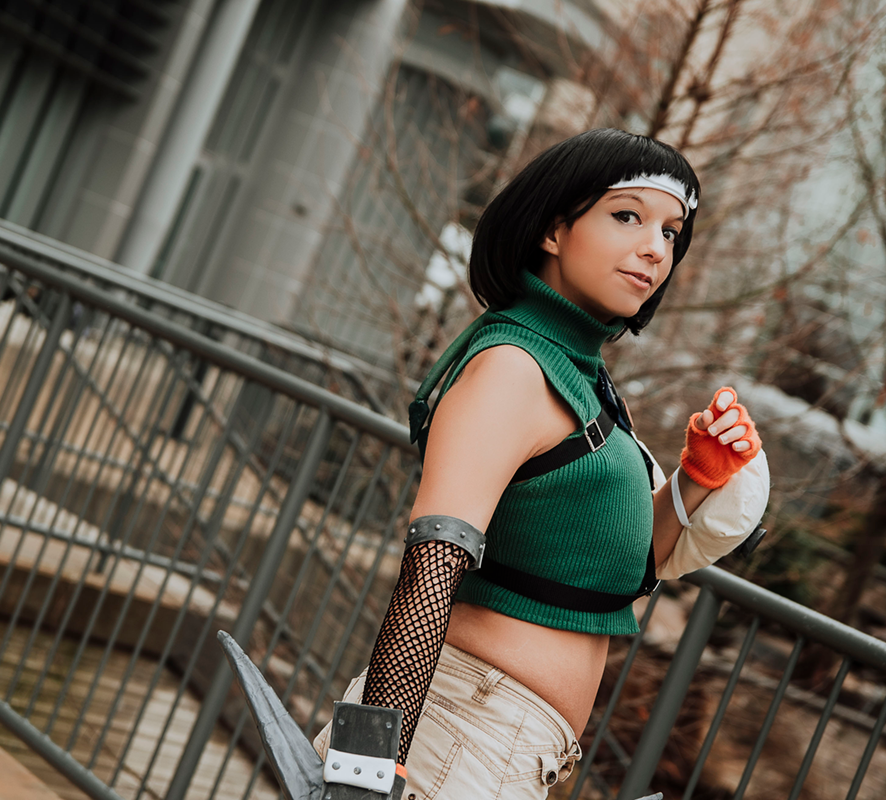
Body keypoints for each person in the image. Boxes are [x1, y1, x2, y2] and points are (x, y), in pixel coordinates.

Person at [314, 128, 769, 799]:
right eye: (628, 216)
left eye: (671, 232)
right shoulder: (514, 367)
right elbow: (432, 563)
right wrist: (364, 772)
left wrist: (697, 479)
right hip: (456, 733)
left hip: (504, 742)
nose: (655, 247)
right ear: (554, 231)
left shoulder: (583, 378)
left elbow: (612, 576)